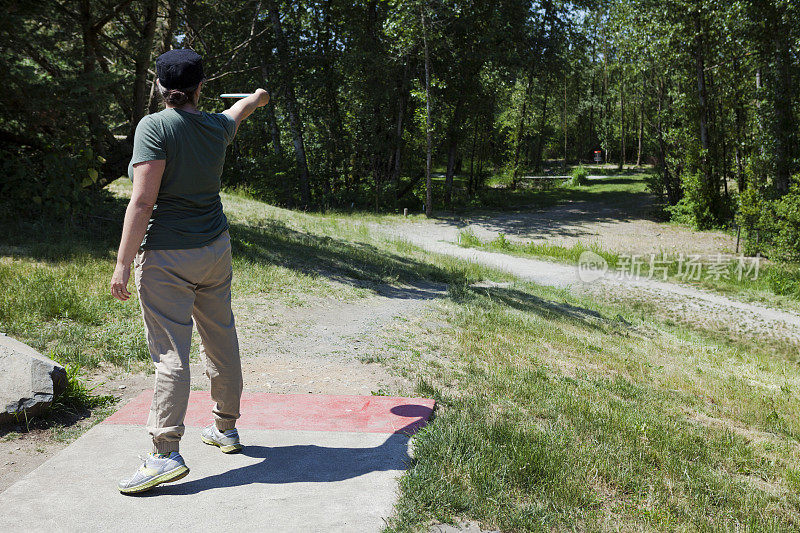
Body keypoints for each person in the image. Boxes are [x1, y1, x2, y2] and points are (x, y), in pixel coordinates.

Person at [109, 49, 269, 494]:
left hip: (167, 256)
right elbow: (237, 111)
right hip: (215, 248)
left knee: (170, 354)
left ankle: (165, 453)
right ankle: (226, 427)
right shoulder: (217, 126)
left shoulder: (154, 127)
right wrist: (256, 99)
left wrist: (123, 263)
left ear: (159, 86)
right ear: (201, 87)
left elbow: (142, 201)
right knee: (221, 335)